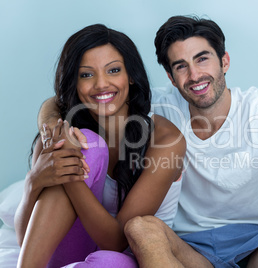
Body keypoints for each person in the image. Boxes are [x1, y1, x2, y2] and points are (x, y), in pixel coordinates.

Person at [39, 16, 258, 268]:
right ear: (170, 77)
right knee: (140, 228)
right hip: (187, 252)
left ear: (224, 62)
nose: (194, 75)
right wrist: (51, 127)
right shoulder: (161, 110)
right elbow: (61, 100)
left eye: (203, 59)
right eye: (181, 66)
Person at [15, 24, 186, 268]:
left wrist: (70, 173)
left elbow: (117, 241)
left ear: (131, 76)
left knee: (110, 261)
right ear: (73, 83)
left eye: (114, 70)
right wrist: (33, 183)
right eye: (86, 75)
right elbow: (27, 242)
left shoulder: (166, 138)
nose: (101, 84)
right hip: (65, 252)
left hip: (130, 251)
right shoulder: (62, 134)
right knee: (90, 144)